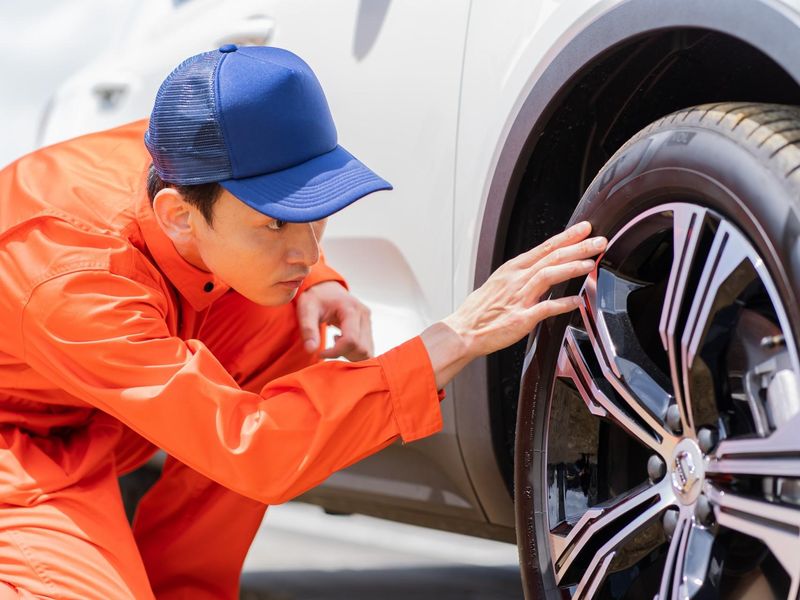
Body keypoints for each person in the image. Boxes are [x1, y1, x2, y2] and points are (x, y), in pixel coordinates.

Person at [0, 45, 606, 599]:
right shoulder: (75, 276)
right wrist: (456, 337)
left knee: (288, 319)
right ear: (178, 216)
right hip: (16, 443)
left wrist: (315, 284)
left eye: (317, 213)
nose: (310, 250)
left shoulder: (190, 157)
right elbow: (252, 446)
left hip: (87, 402)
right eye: (275, 224)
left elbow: (265, 220)